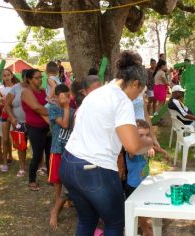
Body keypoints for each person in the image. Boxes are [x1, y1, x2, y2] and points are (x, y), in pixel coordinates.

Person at [60, 50, 153, 235]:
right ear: (135, 83)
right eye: (140, 91)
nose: (138, 96)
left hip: (69, 164)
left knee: (87, 220)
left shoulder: (97, 93)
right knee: (115, 223)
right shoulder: (122, 100)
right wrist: (149, 143)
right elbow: (132, 147)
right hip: (95, 170)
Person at [47, 84, 74, 230]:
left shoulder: (72, 109)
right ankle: (56, 208)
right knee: (57, 181)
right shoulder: (53, 109)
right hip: (57, 149)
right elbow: (64, 125)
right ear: (56, 97)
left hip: (69, 151)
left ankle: (67, 200)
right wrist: (65, 107)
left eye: (68, 96)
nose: (66, 99)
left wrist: (69, 108)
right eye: (63, 96)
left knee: (67, 178)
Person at [21, 69, 51, 191]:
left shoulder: (43, 91)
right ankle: (32, 180)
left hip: (47, 126)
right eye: (37, 77)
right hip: (35, 128)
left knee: (50, 153)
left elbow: (50, 103)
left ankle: (51, 177)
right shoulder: (26, 92)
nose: (40, 79)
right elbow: (37, 108)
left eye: (41, 77)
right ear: (29, 79)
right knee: (37, 155)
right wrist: (52, 112)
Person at [124, 119, 154, 236]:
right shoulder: (130, 148)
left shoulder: (143, 146)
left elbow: (145, 146)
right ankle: (145, 230)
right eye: (140, 135)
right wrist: (148, 146)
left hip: (143, 182)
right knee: (137, 209)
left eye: (147, 135)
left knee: (143, 206)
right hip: (134, 185)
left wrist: (150, 147)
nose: (144, 138)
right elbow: (134, 150)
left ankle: (143, 224)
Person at [5, 69, 28, 177]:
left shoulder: (34, 88)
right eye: (26, 78)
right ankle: (22, 167)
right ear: (23, 77)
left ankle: (40, 165)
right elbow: (7, 104)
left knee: (37, 145)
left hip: (33, 123)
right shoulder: (15, 88)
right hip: (18, 123)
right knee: (20, 146)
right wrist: (12, 118)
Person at [0, 69, 16, 171]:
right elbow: (2, 103)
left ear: (12, 75)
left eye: (8, 75)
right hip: (5, 115)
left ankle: (21, 164)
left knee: (17, 139)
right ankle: (5, 162)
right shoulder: (1, 89)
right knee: (5, 139)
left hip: (15, 115)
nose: (6, 77)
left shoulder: (16, 87)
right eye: (4, 75)